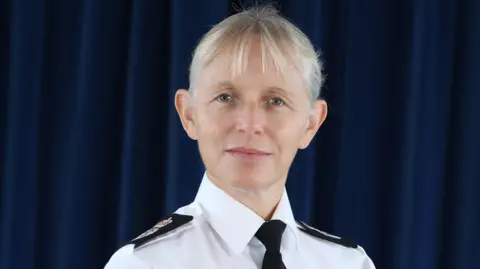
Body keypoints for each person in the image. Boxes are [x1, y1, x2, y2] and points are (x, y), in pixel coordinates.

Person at [104, 5, 376, 269]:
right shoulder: (144, 264)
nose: (249, 124)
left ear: (310, 124)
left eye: (275, 101)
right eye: (226, 98)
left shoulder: (349, 263)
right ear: (189, 115)